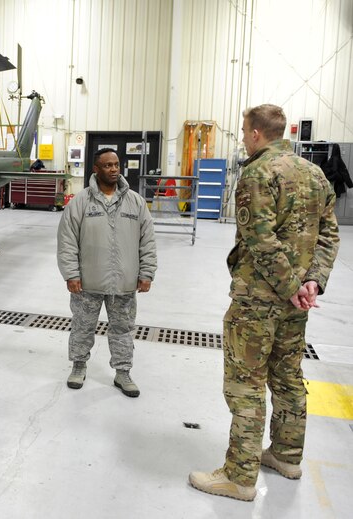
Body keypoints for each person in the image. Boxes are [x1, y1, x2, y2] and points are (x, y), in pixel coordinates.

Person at [189, 104, 340, 501]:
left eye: (243, 130)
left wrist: (292, 284)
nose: (241, 136)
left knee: (246, 385)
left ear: (257, 133)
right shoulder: (315, 173)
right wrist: (311, 284)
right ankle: (287, 456)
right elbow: (329, 235)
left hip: (257, 301)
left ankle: (239, 476)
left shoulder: (257, 172)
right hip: (295, 306)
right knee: (288, 376)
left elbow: (258, 238)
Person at [57, 148, 156, 397]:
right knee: (82, 326)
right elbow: (67, 240)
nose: (114, 169)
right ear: (96, 169)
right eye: (108, 165)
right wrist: (71, 274)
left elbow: (148, 240)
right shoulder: (81, 201)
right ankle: (78, 366)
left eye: (116, 165)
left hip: (124, 282)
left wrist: (147, 272)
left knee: (123, 329)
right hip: (87, 282)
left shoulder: (135, 201)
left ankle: (123, 372)